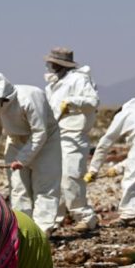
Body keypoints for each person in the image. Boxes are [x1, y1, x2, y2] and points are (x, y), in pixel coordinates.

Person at [0, 72, 62, 236]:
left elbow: (39, 133)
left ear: (6, 98)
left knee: (45, 186)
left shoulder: (30, 98)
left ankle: (43, 231)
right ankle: (23, 230)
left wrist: (23, 158)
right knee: (18, 188)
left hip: (46, 141)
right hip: (15, 140)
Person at [44, 47, 100, 231]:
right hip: (56, 135)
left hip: (74, 135)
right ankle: (54, 218)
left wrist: (72, 102)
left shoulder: (78, 79)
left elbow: (93, 101)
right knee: (55, 178)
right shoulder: (53, 84)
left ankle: (85, 216)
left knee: (71, 176)